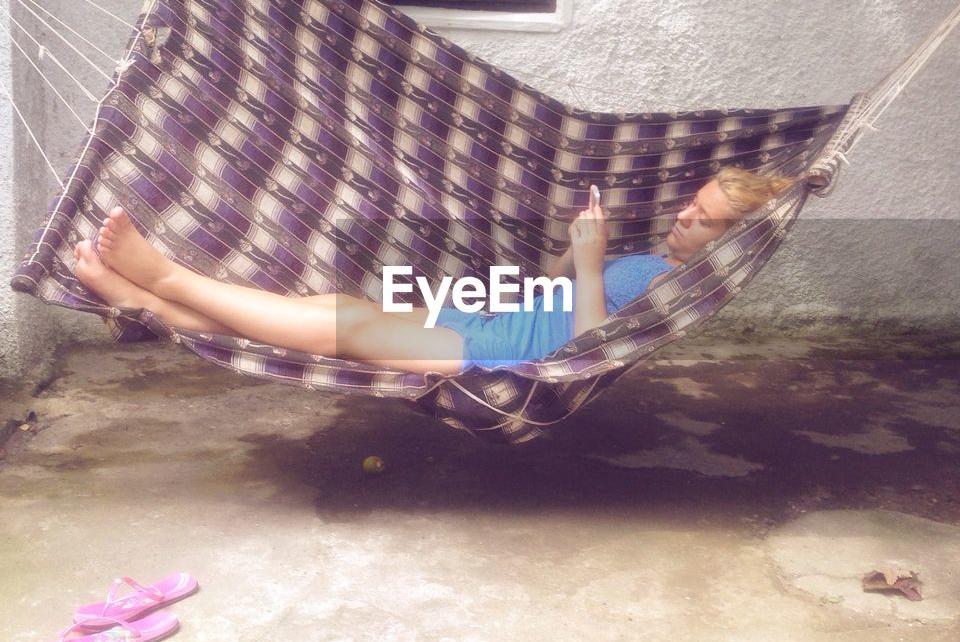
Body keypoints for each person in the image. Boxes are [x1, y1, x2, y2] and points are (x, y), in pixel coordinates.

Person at [72, 165, 793, 376]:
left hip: (497, 355)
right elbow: (551, 288)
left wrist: (597, 262)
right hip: (483, 322)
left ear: (730, 242)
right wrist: (577, 253)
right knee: (329, 305)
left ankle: (165, 279)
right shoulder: (654, 260)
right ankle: (152, 306)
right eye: (690, 205)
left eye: (702, 219)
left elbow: (593, 350)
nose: (682, 217)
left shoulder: (671, 291)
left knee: (342, 324)